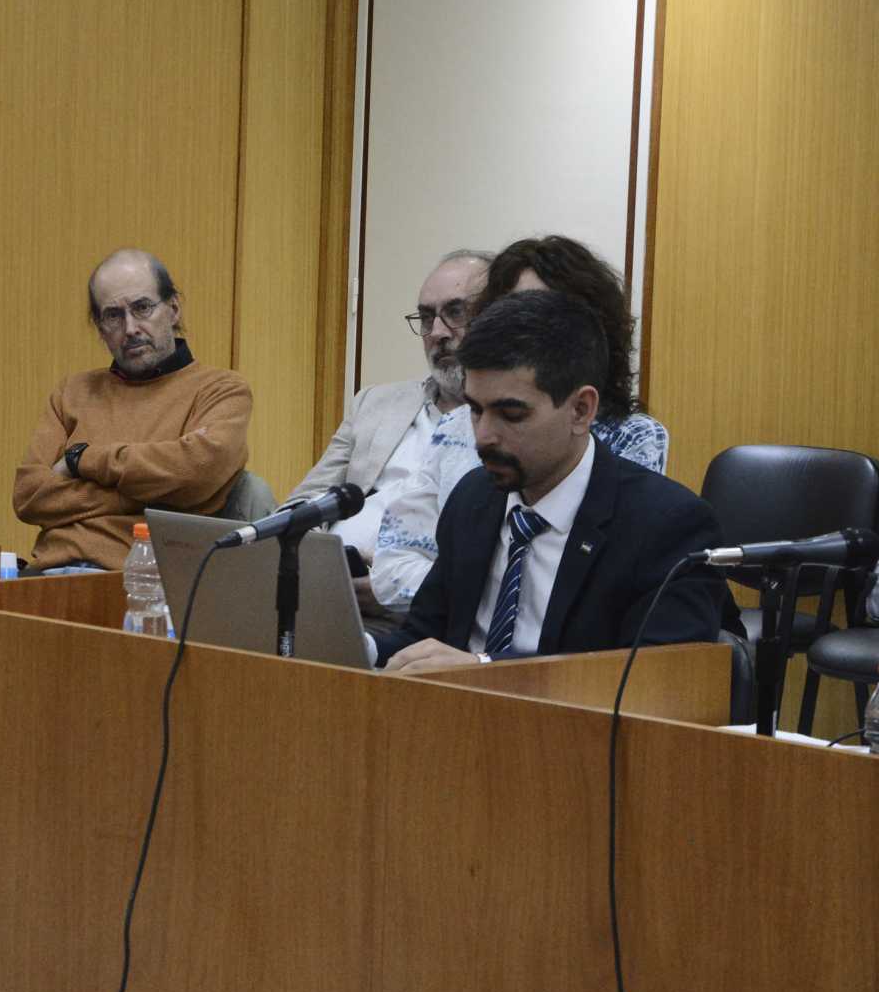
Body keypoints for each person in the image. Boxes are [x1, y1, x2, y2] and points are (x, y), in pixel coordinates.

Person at [379, 290, 726, 671]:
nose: (483, 436)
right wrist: (356, 647)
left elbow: (655, 681)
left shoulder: (666, 524)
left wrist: (485, 669)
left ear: (581, 410)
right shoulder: (473, 498)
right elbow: (423, 639)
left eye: (510, 414)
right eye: (476, 411)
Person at [370, 235, 669, 610]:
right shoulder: (455, 435)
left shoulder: (632, 437)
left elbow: (591, 585)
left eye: (513, 415)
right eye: (511, 313)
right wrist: (467, 589)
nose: (486, 434)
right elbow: (392, 566)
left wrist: (471, 587)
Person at [13, 249, 251, 571]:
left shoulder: (220, 389)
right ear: (99, 328)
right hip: (49, 577)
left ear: (174, 309)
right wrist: (154, 496)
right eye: (113, 315)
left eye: (142, 308)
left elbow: (198, 472)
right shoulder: (73, 391)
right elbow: (29, 497)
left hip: (141, 586)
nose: (130, 328)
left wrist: (81, 459)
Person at [287, 249, 490, 611]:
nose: (438, 333)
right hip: (329, 595)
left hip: (422, 615)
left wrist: (389, 587)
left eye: (456, 312)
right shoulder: (375, 403)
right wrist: (323, 568)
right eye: (427, 318)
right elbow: (303, 504)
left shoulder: (508, 426)